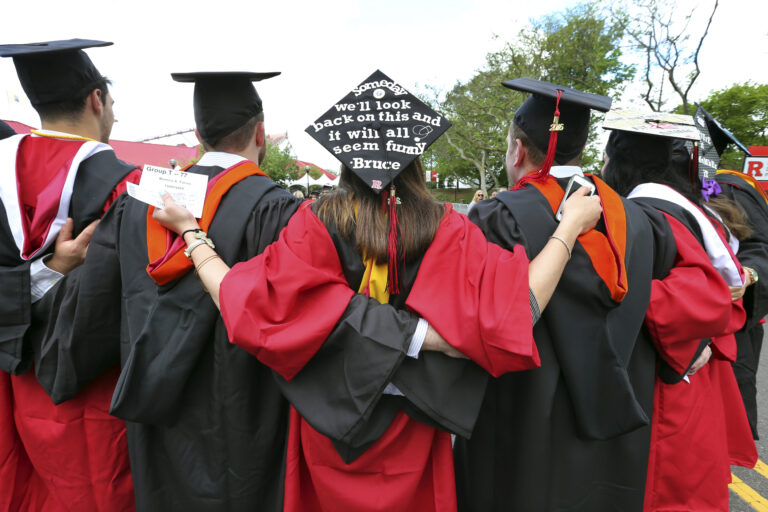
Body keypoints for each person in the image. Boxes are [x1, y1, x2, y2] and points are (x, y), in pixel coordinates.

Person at [153, 70, 601, 512]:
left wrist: (192, 235)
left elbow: (244, 303)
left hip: (328, 429)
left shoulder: (314, 223)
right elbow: (519, 310)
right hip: (413, 430)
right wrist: (569, 228)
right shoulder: (447, 228)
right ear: (417, 160)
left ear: (347, 160)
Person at [453, 78, 736, 511]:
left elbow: (470, 321)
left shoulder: (496, 216)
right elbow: (697, 297)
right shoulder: (643, 219)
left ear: (516, 150)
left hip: (519, 425)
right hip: (612, 431)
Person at [0, 39, 139, 511]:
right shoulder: (127, 185)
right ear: (96, 100)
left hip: (12, 383)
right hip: (96, 394)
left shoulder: (3, 168)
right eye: (112, 104)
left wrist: (46, 271)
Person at [601, 119, 757, 511]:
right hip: (694, 374)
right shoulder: (692, 212)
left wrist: (597, 283)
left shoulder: (646, 215)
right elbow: (724, 296)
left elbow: (698, 297)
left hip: (666, 382)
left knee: (665, 489)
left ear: (619, 162)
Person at [697, 106, 768, 440]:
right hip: (687, 319)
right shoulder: (677, 188)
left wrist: (748, 274)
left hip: (731, 320)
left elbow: (758, 247)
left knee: (721, 422)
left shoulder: (727, 187)